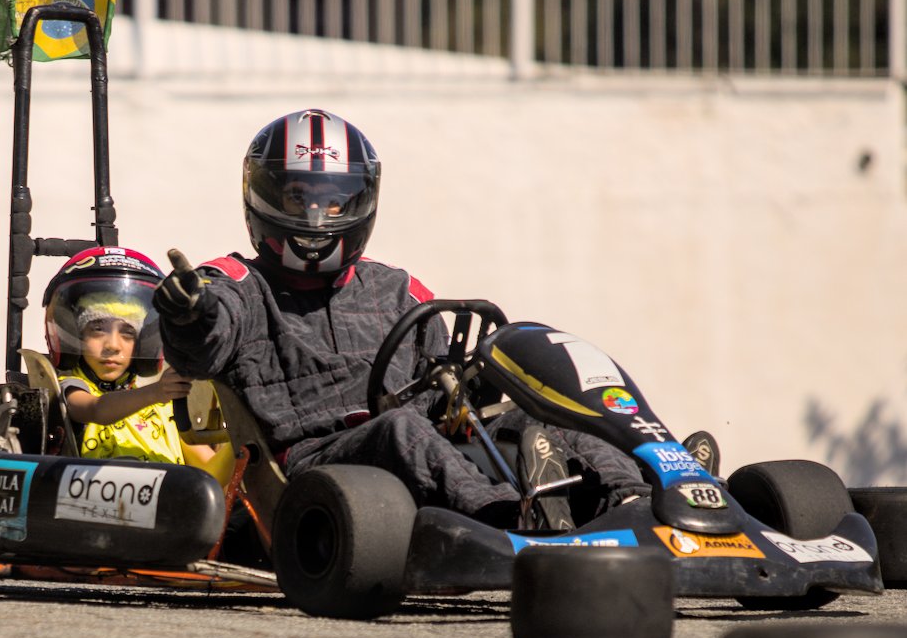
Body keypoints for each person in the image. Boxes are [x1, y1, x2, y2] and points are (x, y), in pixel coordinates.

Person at [152, 108, 649, 528]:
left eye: (332, 199)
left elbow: (453, 385)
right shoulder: (236, 283)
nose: (317, 217)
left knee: (538, 413)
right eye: (297, 198)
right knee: (398, 428)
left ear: (360, 200)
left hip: (424, 444)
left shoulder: (396, 287)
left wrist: (477, 384)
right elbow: (203, 345)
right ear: (264, 195)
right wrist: (187, 312)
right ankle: (507, 520)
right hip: (314, 468)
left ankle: (634, 500)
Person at [43, 247, 209, 465]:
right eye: (98, 328)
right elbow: (97, 409)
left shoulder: (163, 407)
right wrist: (157, 391)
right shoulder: (70, 389)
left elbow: (213, 472)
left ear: (142, 342)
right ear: (76, 334)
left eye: (127, 333)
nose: (113, 345)